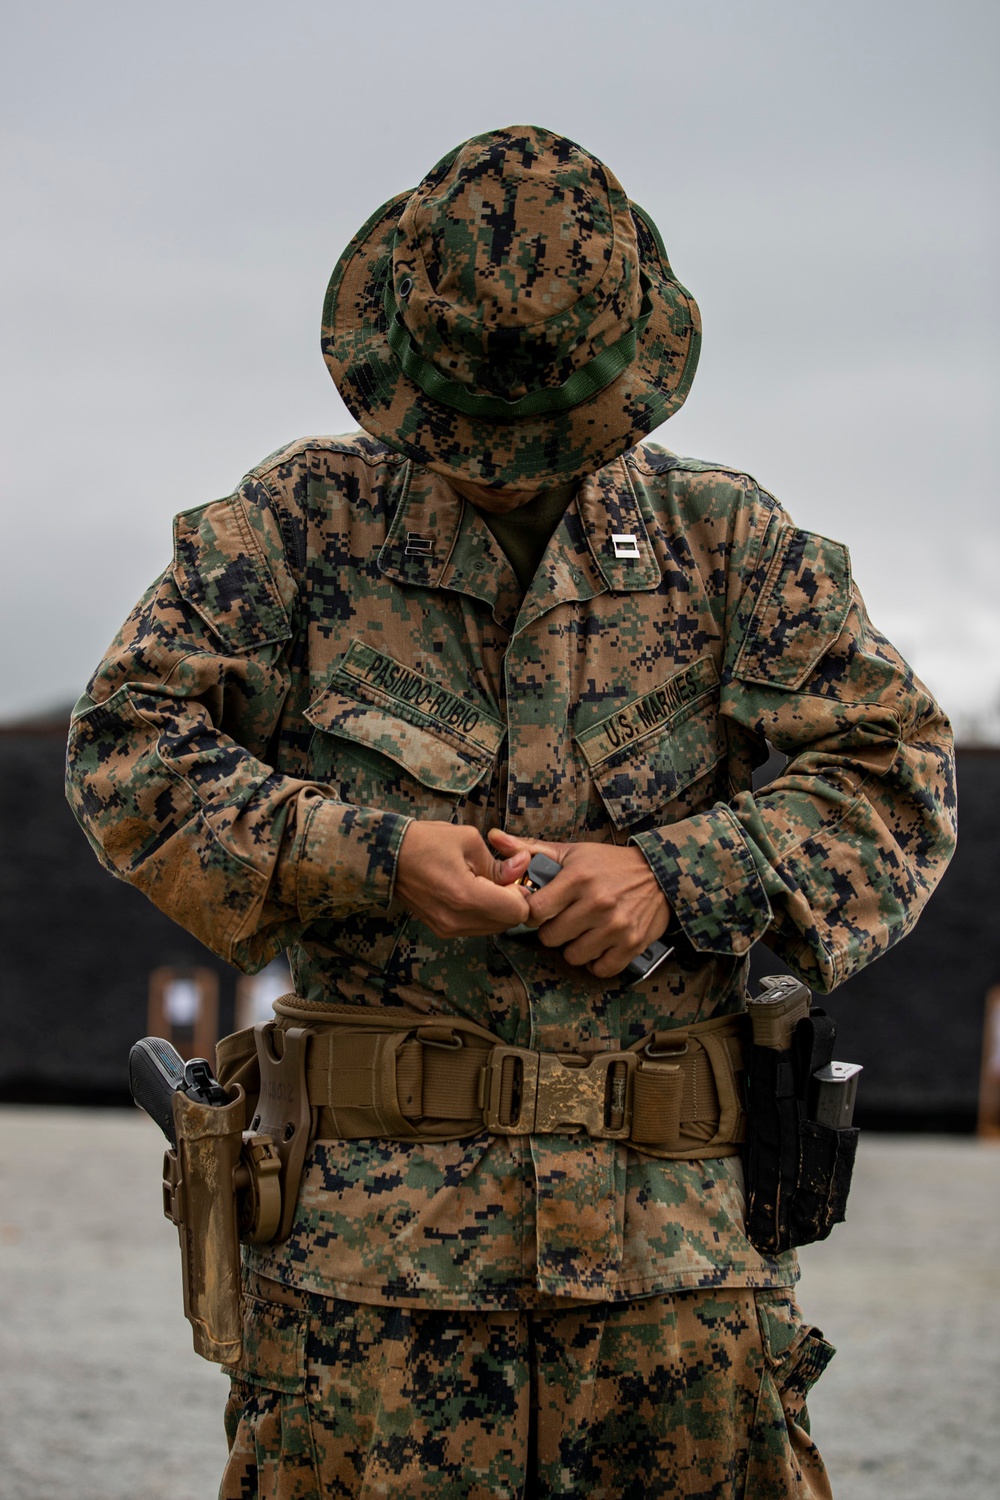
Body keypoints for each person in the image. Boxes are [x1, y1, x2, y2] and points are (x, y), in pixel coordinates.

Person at [66, 125, 956, 1498]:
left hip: (678, 1304)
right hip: (373, 1307)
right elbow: (127, 755)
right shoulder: (292, 533)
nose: (509, 460)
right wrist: (373, 856)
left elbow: (897, 781)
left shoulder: (730, 548)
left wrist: (680, 872)